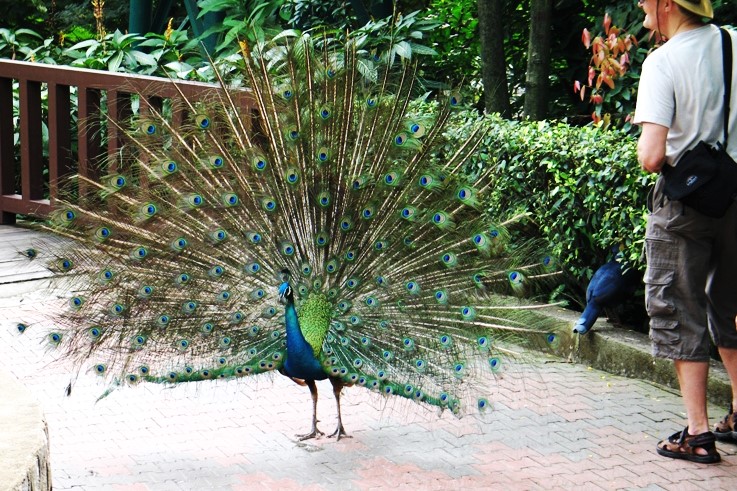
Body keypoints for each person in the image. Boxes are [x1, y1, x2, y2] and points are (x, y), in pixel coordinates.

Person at [634, 0, 737, 463]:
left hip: (687, 206)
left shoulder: (663, 60)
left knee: (678, 304)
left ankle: (697, 435)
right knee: (731, 301)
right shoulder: (735, 42)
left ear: (668, 5)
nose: (640, 4)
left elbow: (653, 156)